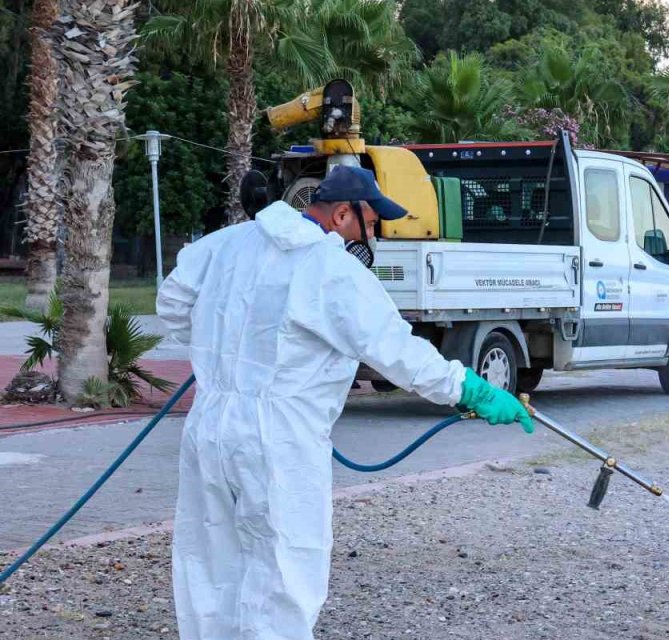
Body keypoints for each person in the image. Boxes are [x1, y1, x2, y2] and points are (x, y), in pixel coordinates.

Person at [156, 166, 533, 640]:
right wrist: (472, 389)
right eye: (370, 223)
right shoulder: (332, 269)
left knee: (210, 560)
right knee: (286, 567)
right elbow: (400, 353)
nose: (373, 235)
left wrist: (224, 352)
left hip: (210, 424)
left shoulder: (225, 243)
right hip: (282, 435)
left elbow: (171, 301)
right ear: (339, 215)